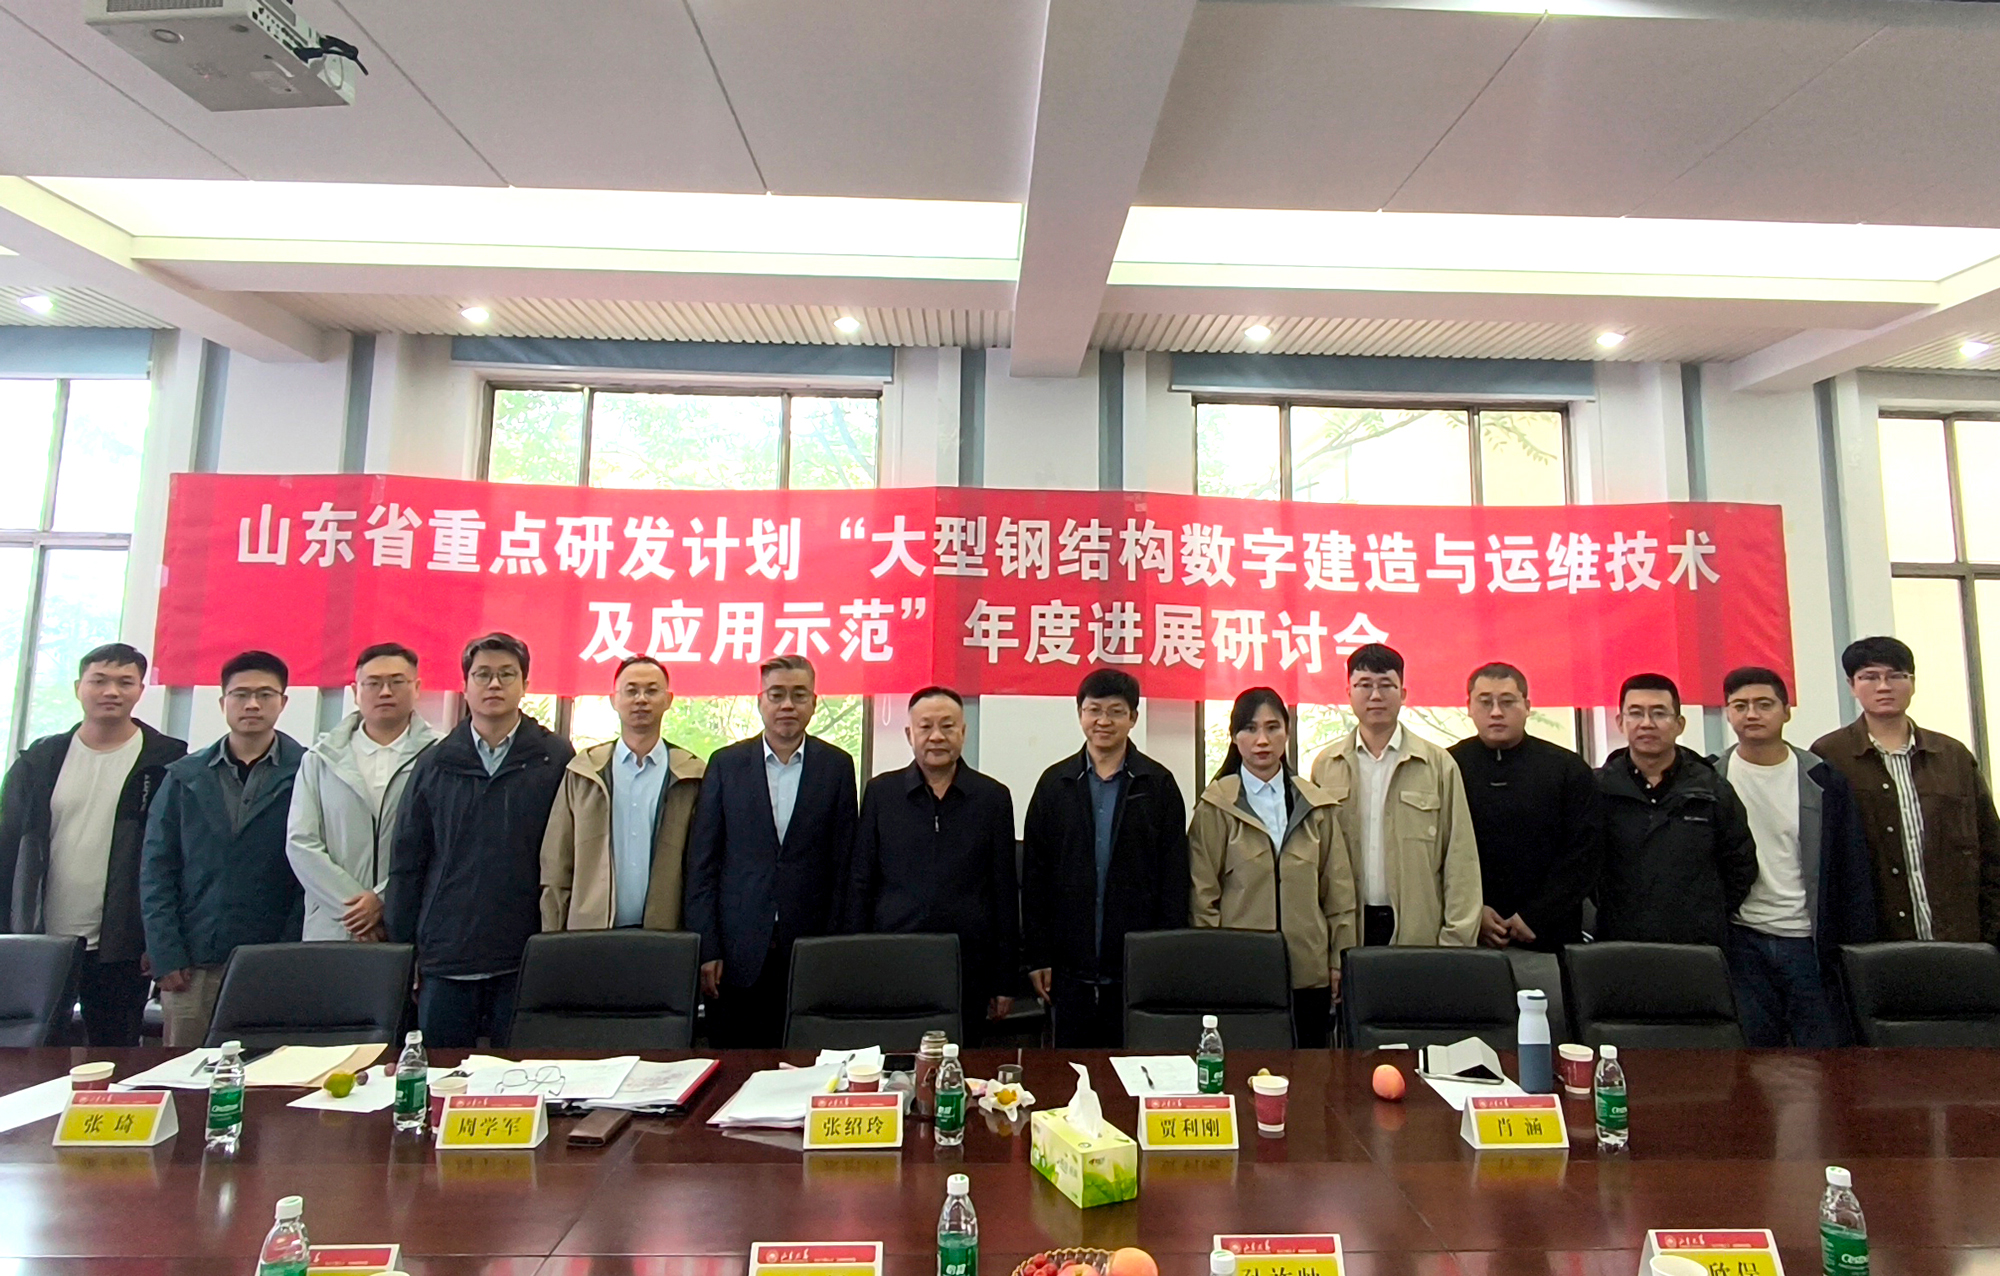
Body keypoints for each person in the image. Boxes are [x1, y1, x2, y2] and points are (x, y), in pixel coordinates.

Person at [386, 633, 573, 1048]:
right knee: (442, 1072)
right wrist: (404, 951)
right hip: (447, 951)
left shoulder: (555, 758)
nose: (494, 684)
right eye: (483, 675)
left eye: (507, 675)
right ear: (465, 685)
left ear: (525, 685)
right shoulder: (435, 762)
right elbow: (408, 863)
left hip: (526, 950)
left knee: (521, 1076)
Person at [0, 643, 186, 1046]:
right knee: (29, 1054)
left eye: (125, 682)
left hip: (123, 943)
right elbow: (8, 848)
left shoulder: (168, 762)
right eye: (99, 681)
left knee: (115, 1051)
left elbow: (178, 860)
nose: (111, 691)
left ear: (140, 690)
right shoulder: (38, 761)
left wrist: (160, 940)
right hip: (41, 937)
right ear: (78, 687)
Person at [684, 654, 857, 1047]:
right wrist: (707, 947)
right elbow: (702, 865)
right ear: (760, 700)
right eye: (777, 695)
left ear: (814, 702)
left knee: (809, 1063)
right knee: (736, 1064)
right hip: (736, 951)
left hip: (810, 949)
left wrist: (837, 947)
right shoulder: (726, 765)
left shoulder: (836, 767)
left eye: (799, 695)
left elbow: (844, 867)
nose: (787, 705)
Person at [140, 650, 305, 1047]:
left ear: (283, 702)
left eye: (265, 694)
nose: (252, 704)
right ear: (222, 702)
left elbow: (311, 870)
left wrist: (293, 951)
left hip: (274, 956)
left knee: (271, 1070)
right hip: (194, 960)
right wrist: (166, 953)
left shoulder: (309, 771)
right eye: (241, 694)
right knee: (185, 1069)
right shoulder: (184, 776)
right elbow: (157, 869)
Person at [1022, 668, 1190, 1047]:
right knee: (1069, 1070)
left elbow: (1174, 879)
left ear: (1133, 717)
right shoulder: (1055, 784)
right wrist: (1038, 956)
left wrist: (1164, 951)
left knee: (1133, 1068)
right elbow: (1035, 877)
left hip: (1136, 963)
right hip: (1067, 966)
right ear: (1079, 713)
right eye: (1094, 710)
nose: (1103, 721)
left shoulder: (1158, 785)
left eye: (1116, 711)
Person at [845, 687, 1018, 1040]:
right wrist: (857, 958)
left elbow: (1003, 890)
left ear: (963, 733)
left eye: (947, 726)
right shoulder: (882, 793)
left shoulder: (992, 797)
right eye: (925, 727)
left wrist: (1005, 978)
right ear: (910, 734)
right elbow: (862, 882)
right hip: (894, 956)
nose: (936, 736)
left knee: (962, 1061)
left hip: (968, 963)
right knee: (895, 1059)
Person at [1719, 666, 1877, 1047]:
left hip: (1809, 942)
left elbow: (1851, 868)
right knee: (1753, 1057)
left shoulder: (1823, 779)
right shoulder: (1710, 779)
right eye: (1740, 705)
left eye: (1764, 704)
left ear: (1786, 711)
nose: (1752, 714)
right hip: (1742, 941)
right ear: (1727, 713)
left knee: (1824, 1056)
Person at [1189, 687, 1355, 1048]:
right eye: (1250, 729)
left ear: (1287, 732)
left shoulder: (1316, 806)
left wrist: (1338, 961)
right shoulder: (1216, 807)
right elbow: (1202, 897)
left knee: (1309, 1074)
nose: (1262, 740)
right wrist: (1212, 961)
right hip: (1240, 971)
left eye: (1272, 727)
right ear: (1234, 737)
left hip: (1308, 972)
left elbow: (1339, 895)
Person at [1810, 636, 2000, 945]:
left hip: (1960, 936)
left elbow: (1991, 846)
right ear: (1851, 685)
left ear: (1912, 682)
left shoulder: (1951, 755)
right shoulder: (1830, 755)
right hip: (1876, 943)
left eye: (1896, 675)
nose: (1884, 686)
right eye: (1870, 677)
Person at [1309, 643, 1480, 947]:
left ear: (1403, 694)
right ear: (1348, 692)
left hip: (1419, 933)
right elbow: (1315, 861)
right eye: (1364, 685)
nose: (1375, 695)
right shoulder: (1326, 766)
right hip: (1347, 930)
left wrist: (1455, 943)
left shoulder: (1437, 765)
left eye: (1386, 685)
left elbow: (1460, 858)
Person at [287, 643, 440, 942]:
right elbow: (301, 842)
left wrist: (383, 899)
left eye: (397, 682)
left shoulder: (441, 756)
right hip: (335, 925)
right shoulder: (320, 759)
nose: (385, 692)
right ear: (355, 691)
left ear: (417, 688)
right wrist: (355, 910)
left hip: (412, 921)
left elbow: (443, 844)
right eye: (373, 683)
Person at [541, 655, 705, 931]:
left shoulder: (691, 776)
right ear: (614, 700)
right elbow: (557, 864)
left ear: (668, 700)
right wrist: (552, 934)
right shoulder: (583, 773)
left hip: (665, 935)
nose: (641, 699)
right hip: (591, 932)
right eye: (631, 691)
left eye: (651, 691)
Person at [1593, 673, 1757, 946]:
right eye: (1636, 713)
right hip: (1618, 942)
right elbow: (1582, 866)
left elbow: (1741, 865)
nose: (1647, 723)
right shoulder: (1597, 790)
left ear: (1679, 724)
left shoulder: (1711, 789)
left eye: (1659, 713)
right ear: (1620, 722)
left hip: (1698, 945)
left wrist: (1705, 913)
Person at [1448, 662, 1600, 952]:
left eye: (1507, 702)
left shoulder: (1567, 769)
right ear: (1468, 707)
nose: (1496, 712)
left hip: (1552, 936)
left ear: (1527, 706)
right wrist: (1472, 912)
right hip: (1470, 935)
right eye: (1485, 702)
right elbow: (1436, 853)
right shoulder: (1448, 766)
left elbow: (1585, 854)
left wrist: (1536, 916)